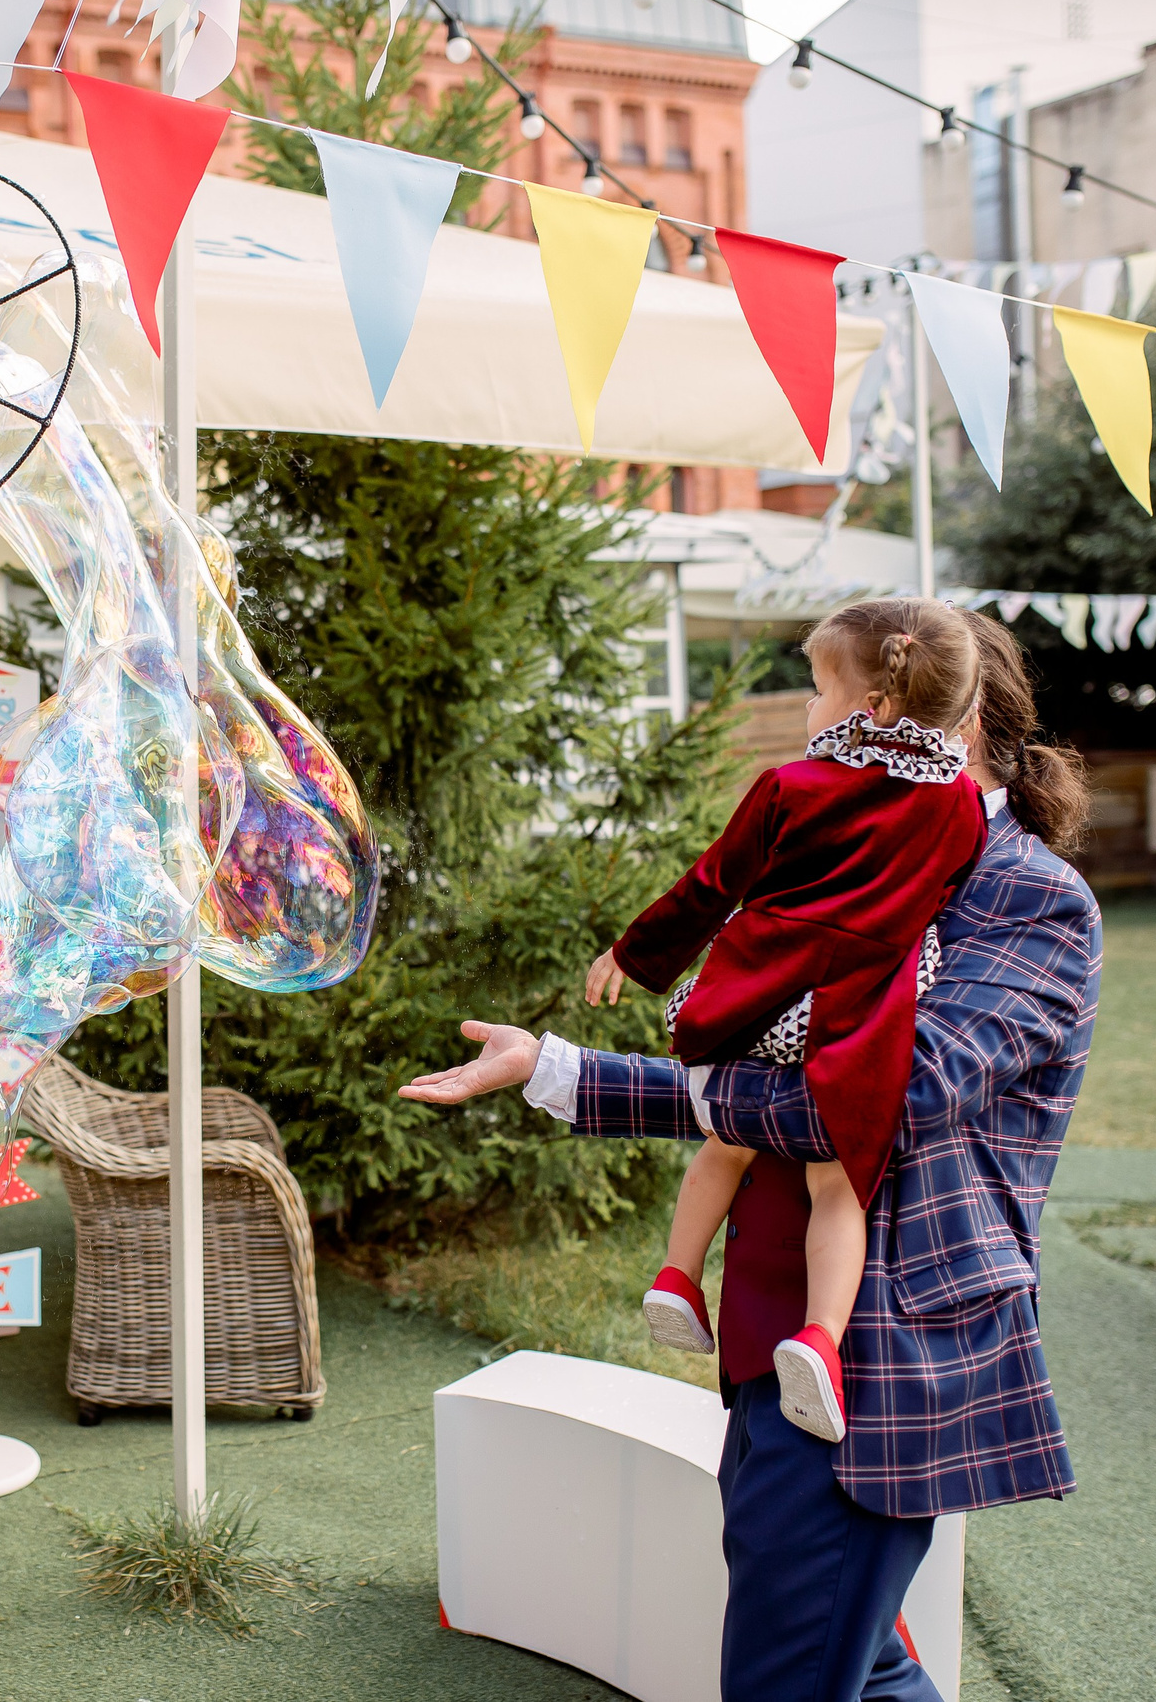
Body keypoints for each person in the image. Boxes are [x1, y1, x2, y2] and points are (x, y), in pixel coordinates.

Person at [399, 613, 1099, 1702]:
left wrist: (595, 1078)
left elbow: (889, 1104)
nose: (808, 730)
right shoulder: (855, 849)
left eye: (823, 701)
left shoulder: (1028, 897)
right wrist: (551, 1065)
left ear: (921, 727)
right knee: (851, 1658)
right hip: (776, 1333)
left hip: (875, 1361)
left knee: (789, 1670)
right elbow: (759, 1039)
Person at [590, 600, 986, 1446]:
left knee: (727, 1139)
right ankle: (820, 1338)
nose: (807, 709)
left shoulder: (788, 786)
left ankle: (677, 1274)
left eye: (814, 690)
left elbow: (711, 883)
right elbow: (946, 899)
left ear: (870, 707)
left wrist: (634, 953)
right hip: (856, 1014)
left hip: (760, 995)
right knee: (837, 1178)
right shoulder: (958, 806)